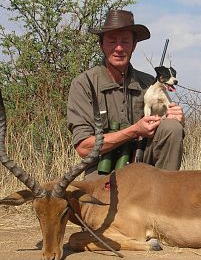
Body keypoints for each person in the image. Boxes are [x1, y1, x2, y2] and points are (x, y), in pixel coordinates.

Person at [67, 9, 185, 179]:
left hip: (144, 162)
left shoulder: (149, 83)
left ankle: (165, 191)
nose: (119, 48)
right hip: (103, 167)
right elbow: (84, 148)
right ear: (101, 45)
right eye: (112, 41)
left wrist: (177, 118)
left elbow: (168, 129)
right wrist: (134, 131)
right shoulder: (84, 84)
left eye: (125, 41)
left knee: (172, 127)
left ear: (134, 45)